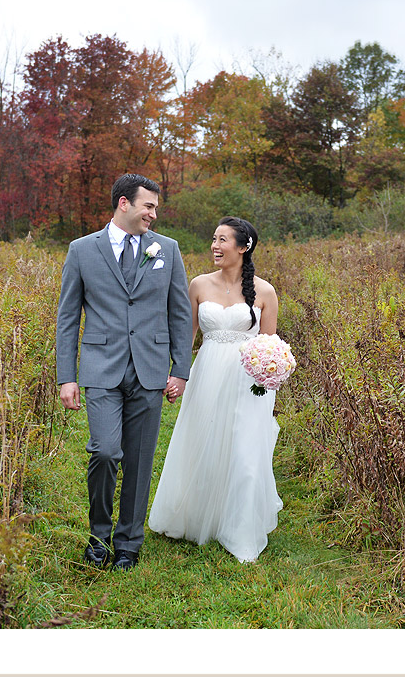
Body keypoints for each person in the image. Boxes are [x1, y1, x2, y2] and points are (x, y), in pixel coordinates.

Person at [56, 173, 192, 570]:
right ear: (124, 204)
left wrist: (180, 369)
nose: (153, 214)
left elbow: (180, 313)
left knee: (139, 459)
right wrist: (67, 376)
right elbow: (68, 318)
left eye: (155, 208)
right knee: (104, 451)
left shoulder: (167, 249)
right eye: (148, 206)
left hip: (150, 368)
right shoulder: (82, 250)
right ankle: (98, 537)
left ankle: (129, 543)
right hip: (101, 368)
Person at [148, 216, 283, 563]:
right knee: (202, 441)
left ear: (243, 247)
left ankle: (239, 526)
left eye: (223, 240)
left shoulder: (265, 292)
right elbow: (186, 337)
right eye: (213, 239)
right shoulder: (199, 285)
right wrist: (176, 375)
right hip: (207, 373)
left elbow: (270, 345)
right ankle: (195, 515)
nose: (215, 246)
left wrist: (269, 374)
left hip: (248, 380)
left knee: (245, 452)